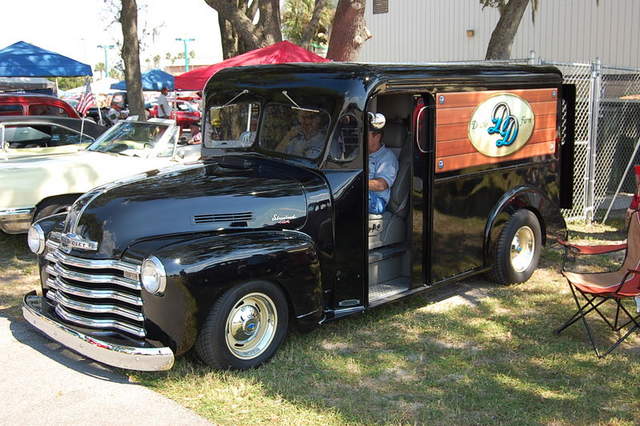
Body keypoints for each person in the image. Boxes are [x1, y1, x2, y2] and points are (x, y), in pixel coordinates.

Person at [368, 125, 398, 214]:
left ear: (377, 137)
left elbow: (381, 185)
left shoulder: (388, 157)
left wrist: (356, 183)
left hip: (376, 200)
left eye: (364, 134)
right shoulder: (357, 153)